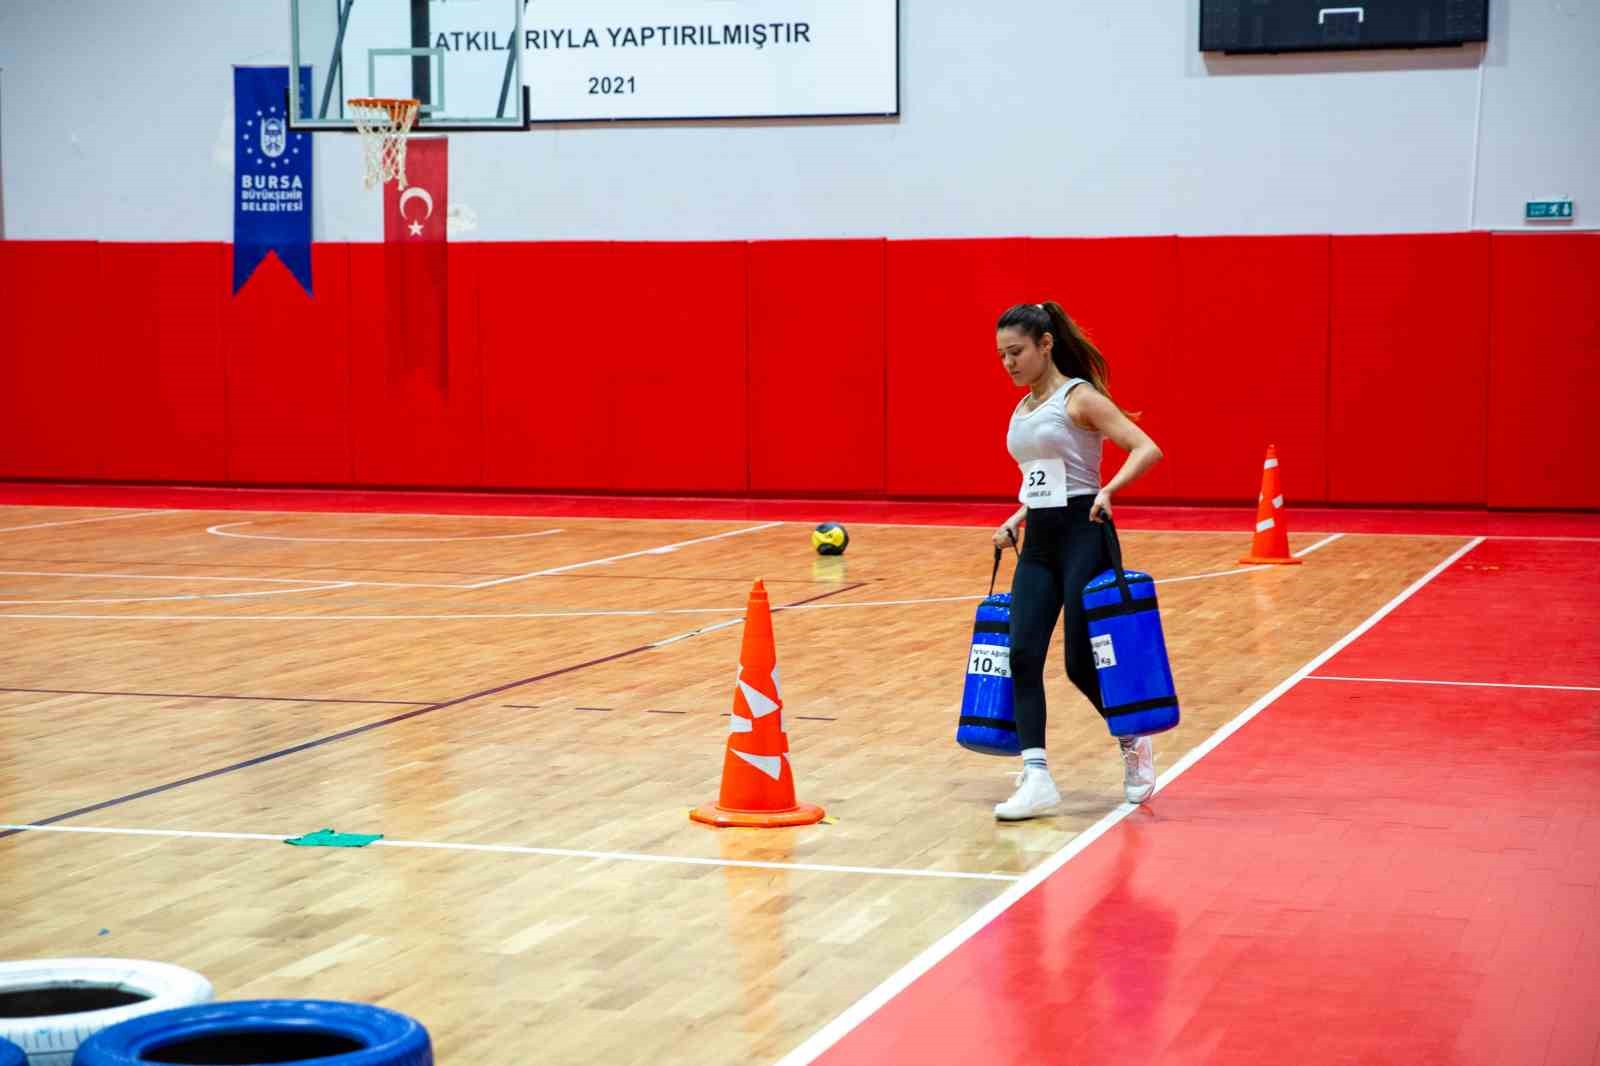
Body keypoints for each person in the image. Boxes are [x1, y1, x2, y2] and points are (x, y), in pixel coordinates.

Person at [991, 301, 1164, 821]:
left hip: (1084, 534)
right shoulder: (1023, 409)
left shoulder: (1079, 398)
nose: (1009, 363)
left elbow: (1146, 448)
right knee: (1022, 654)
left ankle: (1133, 739)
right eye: (1002, 355)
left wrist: (1109, 490)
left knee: (1079, 662)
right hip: (1039, 542)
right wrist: (1017, 517)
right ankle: (1036, 776)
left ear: (1045, 345)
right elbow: (1044, 480)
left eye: (1017, 351)